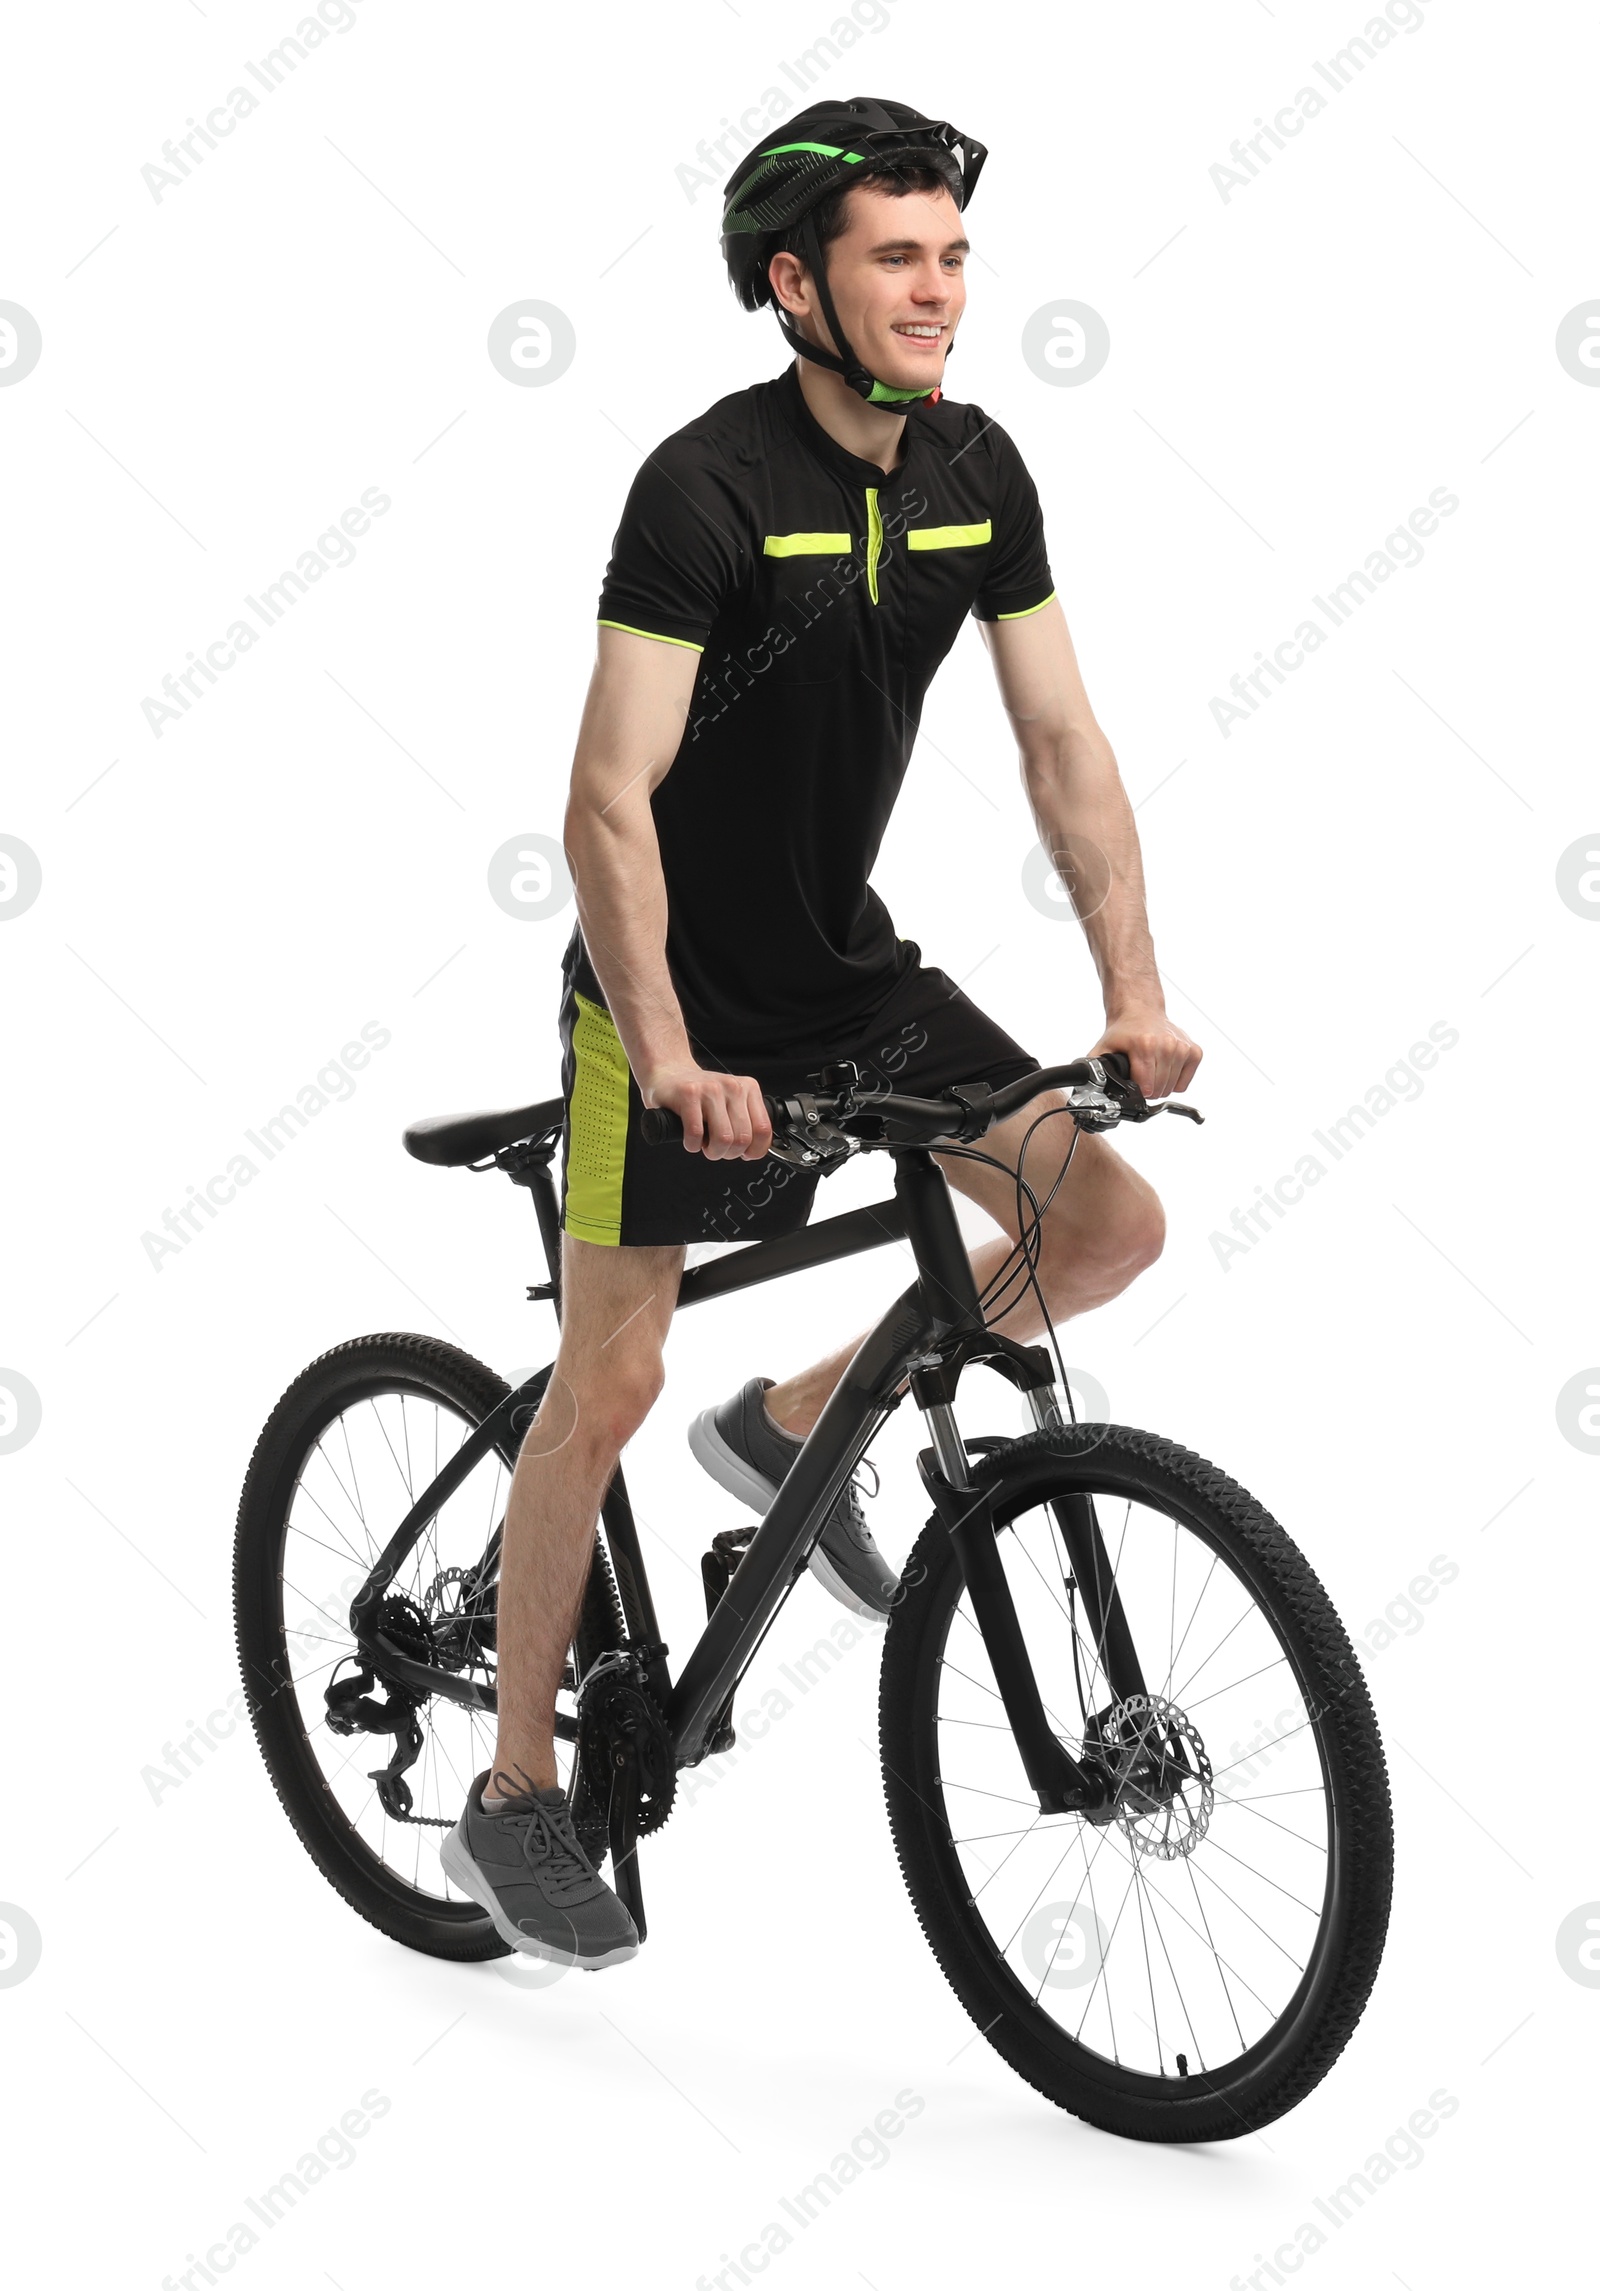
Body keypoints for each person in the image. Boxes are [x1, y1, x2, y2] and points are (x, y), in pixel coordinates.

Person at [445, 97, 1202, 1969]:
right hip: (668, 1012)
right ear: (795, 284)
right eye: (896, 257)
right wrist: (676, 1046)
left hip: (855, 985)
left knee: (1102, 1226)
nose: (940, 291)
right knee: (602, 1386)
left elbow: (1060, 741)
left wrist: (1132, 987)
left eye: (952, 255)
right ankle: (516, 1791)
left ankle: (790, 1427)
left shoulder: (978, 470)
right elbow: (606, 805)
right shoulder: (701, 489)